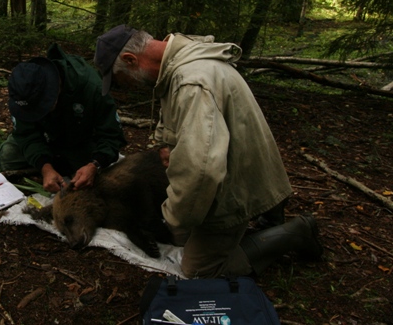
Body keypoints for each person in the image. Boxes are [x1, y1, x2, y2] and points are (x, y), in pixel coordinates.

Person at [94, 24, 323, 278]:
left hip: (233, 186)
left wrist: (170, 216)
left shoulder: (191, 82)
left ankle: (294, 233)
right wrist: (169, 145)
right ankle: (256, 224)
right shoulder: (179, 61)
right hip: (237, 166)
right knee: (179, 233)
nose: (124, 87)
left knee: (199, 272)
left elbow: (202, 173)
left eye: (119, 79)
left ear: (130, 59)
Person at [0, 43, 126, 193]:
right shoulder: (23, 93)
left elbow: (112, 135)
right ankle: (52, 165)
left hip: (80, 141)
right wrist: (45, 167)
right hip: (47, 139)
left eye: (42, 108)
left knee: (92, 179)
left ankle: (67, 164)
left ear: (56, 89)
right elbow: (27, 134)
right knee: (7, 157)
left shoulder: (92, 87)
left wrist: (94, 165)